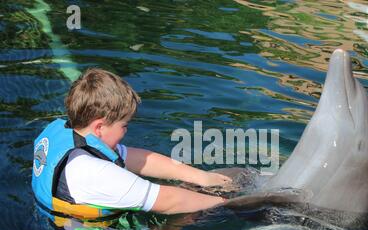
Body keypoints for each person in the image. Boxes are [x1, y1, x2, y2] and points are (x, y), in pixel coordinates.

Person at [32, 68, 231, 220]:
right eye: (124, 125)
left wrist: (202, 177)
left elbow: (139, 159)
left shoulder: (73, 135)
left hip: (62, 217)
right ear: (100, 127)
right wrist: (226, 203)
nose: (126, 131)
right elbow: (169, 201)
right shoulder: (92, 171)